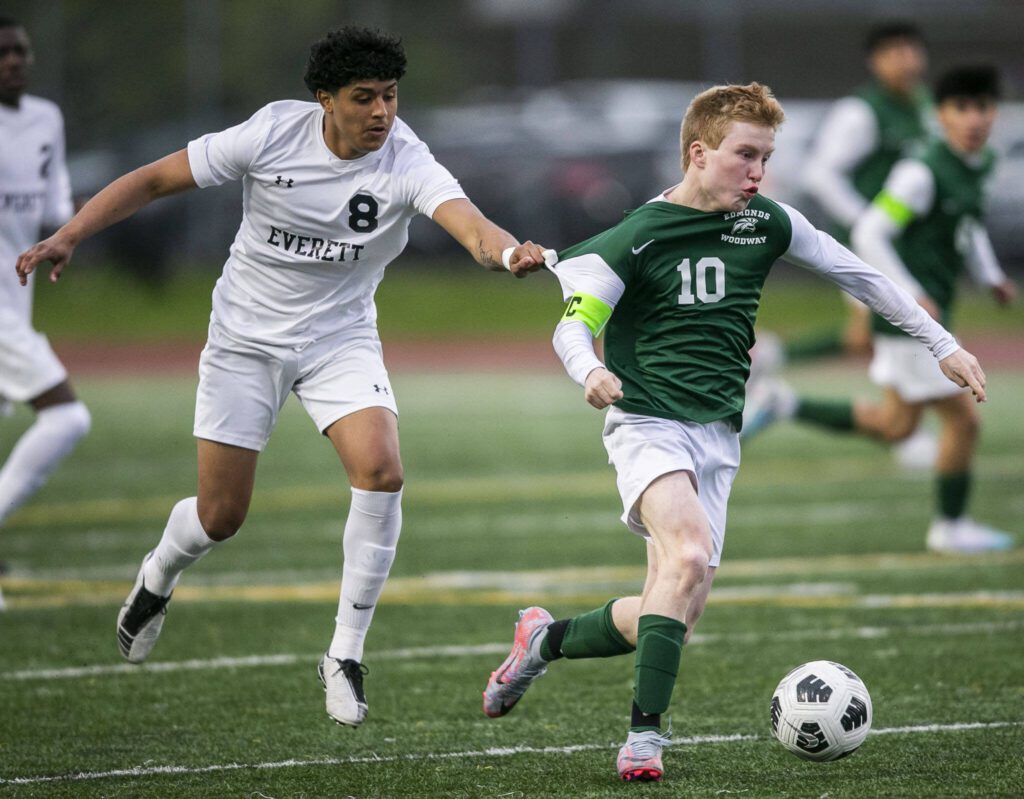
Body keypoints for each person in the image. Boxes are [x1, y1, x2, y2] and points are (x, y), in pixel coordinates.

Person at [16, 26, 549, 725]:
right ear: (324, 99)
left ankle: (344, 654)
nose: (382, 113)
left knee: (382, 470)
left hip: (340, 340)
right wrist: (71, 233)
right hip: (245, 340)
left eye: (390, 96)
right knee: (220, 516)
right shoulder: (270, 133)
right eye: (364, 99)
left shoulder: (407, 158)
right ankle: (157, 576)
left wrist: (507, 255)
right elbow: (152, 179)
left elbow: (473, 226)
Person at [480, 82, 986, 783]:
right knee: (685, 555)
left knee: (673, 613)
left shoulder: (767, 222)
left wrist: (942, 344)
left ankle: (543, 639)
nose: (758, 172)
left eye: (766, 157)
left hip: (719, 435)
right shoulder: (634, 236)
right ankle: (643, 742)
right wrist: (586, 370)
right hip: (646, 420)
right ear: (698, 153)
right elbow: (574, 321)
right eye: (745, 155)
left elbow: (861, 275)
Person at [747, 67, 1015, 554]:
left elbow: (968, 225)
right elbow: (871, 230)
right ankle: (950, 526)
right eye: (962, 107)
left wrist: (991, 273)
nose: (974, 118)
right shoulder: (922, 171)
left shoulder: (980, 162)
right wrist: (908, 292)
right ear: (940, 115)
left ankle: (784, 403)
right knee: (963, 420)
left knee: (898, 425)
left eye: (983, 107)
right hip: (910, 318)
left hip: (928, 313)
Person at [754, 21, 937, 468]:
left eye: (912, 50)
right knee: (898, 327)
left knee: (867, 337)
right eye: (894, 52)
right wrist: (866, 224)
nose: (906, 60)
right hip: (870, 245)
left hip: (902, 247)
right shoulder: (861, 112)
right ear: (875, 61)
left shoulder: (923, 107)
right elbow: (821, 173)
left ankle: (772, 365)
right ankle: (904, 430)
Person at [0, 17, 91, 612]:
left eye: (21, 50)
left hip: (16, 297)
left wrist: (69, 234)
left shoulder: (45, 119)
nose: (14, 60)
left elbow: (55, 207)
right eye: (3, 52)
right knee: (68, 417)